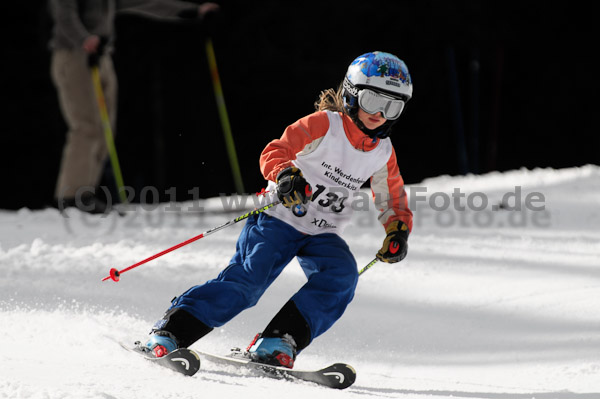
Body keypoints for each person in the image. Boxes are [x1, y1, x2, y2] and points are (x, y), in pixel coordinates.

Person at [142, 51, 414, 368]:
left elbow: (391, 195)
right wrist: (286, 175)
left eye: (392, 106)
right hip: (278, 218)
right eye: (372, 101)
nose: (379, 113)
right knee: (248, 283)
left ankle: (278, 340)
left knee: (341, 276)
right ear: (352, 93)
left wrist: (398, 229)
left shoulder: (382, 151)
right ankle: (172, 330)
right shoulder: (325, 124)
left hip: (322, 231)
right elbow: (276, 150)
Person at [49, 0, 219, 213]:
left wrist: (190, 10)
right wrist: (83, 38)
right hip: (74, 55)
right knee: (86, 127)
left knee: (105, 129)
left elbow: (145, 2)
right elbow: (64, 16)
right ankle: (70, 196)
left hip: (101, 57)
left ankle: (85, 194)